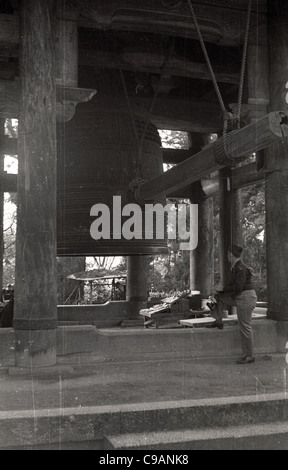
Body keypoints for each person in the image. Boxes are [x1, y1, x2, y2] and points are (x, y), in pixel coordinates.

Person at [207, 244, 257, 364]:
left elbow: (238, 287)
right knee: (221, 297)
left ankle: (249, 355)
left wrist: (222, 288)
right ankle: (218, 321)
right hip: (241, 297)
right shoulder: (236, 267)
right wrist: (220, 291)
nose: (227, 256)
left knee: (245, 326)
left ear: (231, 254)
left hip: (245, 297)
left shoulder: (241, 268)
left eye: (228, 254)